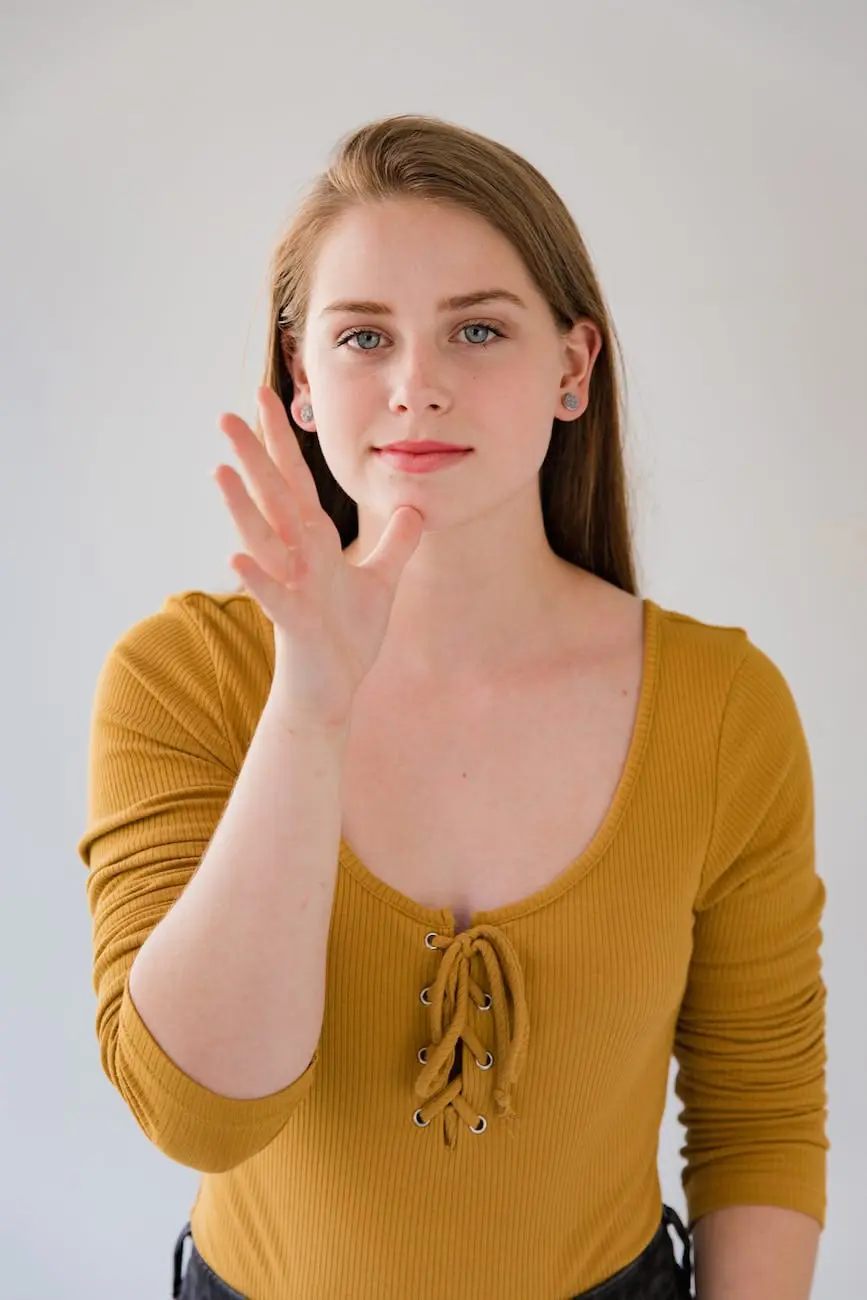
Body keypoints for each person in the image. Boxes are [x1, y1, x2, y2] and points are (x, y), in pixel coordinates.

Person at [77, 114, 828, 1300]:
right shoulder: (182, 678)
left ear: (573, 369)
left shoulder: (725, 707)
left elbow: (762, 1109)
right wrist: (309, 708)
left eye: (478, 329)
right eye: (364, 335)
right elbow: (198, 1116)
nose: (418, 385)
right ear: (302, 385)